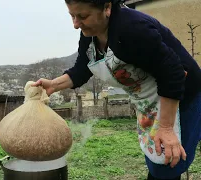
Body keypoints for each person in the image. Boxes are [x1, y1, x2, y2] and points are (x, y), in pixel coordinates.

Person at [32, 0, 201, 179]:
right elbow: (83, 68)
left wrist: (166, 128)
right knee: (159, 163)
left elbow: (173, 72)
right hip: (150, 101)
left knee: (167, 163)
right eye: (72, 16)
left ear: (107, 7)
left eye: (83, 16)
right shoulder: (89, 34)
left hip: (181, 94)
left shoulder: (133, 30)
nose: (75, 24)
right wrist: (53, 85)